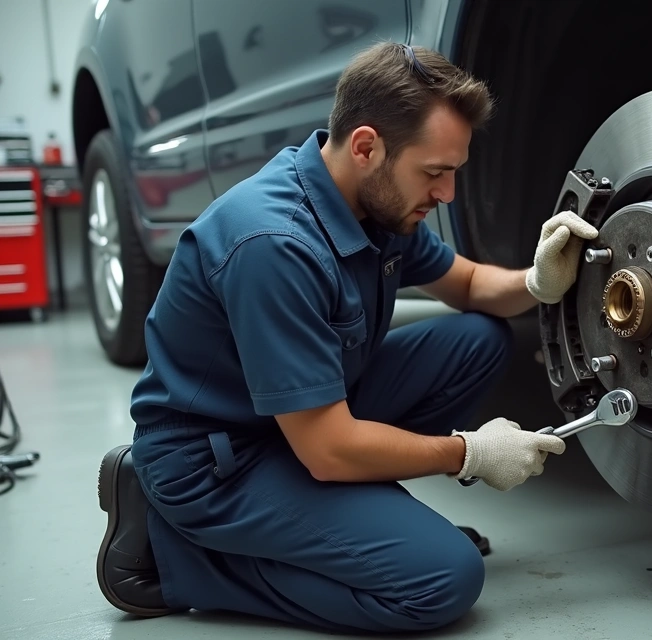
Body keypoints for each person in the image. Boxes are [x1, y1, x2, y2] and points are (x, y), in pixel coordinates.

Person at [93, 43, 598, 634]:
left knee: (478, 341)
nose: (447, 195)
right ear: (366, 147)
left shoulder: (373, 201)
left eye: (453, 173)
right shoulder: (274, 245)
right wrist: (469, 453)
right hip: (215, 463)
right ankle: (180, 555)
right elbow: (328, 449)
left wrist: (538, 282)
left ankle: (354, 527)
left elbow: (468, 284)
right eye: (435, 173)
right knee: (443, 580)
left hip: (298, 428)